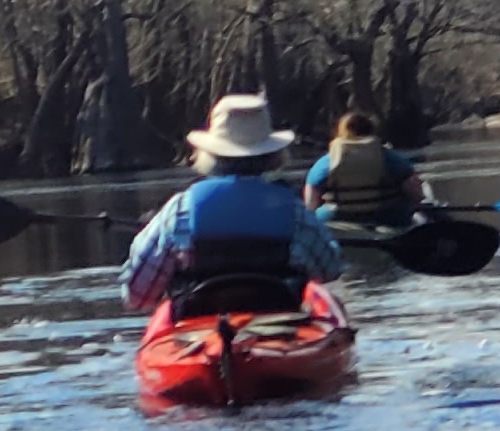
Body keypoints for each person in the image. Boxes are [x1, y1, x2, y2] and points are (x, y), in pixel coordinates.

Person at [121, 94, 345, 312]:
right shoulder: (295, 213)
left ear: (209, 154)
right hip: (280, 326)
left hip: (195, 333)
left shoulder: (180, 211)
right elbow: (331, 269)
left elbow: (137, 296)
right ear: (272, 156)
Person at [303, 109, 431, 228]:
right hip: (387, 219)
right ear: (371, 130)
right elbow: (416, 195)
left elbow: (310, 205)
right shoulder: (389, 158)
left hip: (336, 220)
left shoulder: (326, 162)